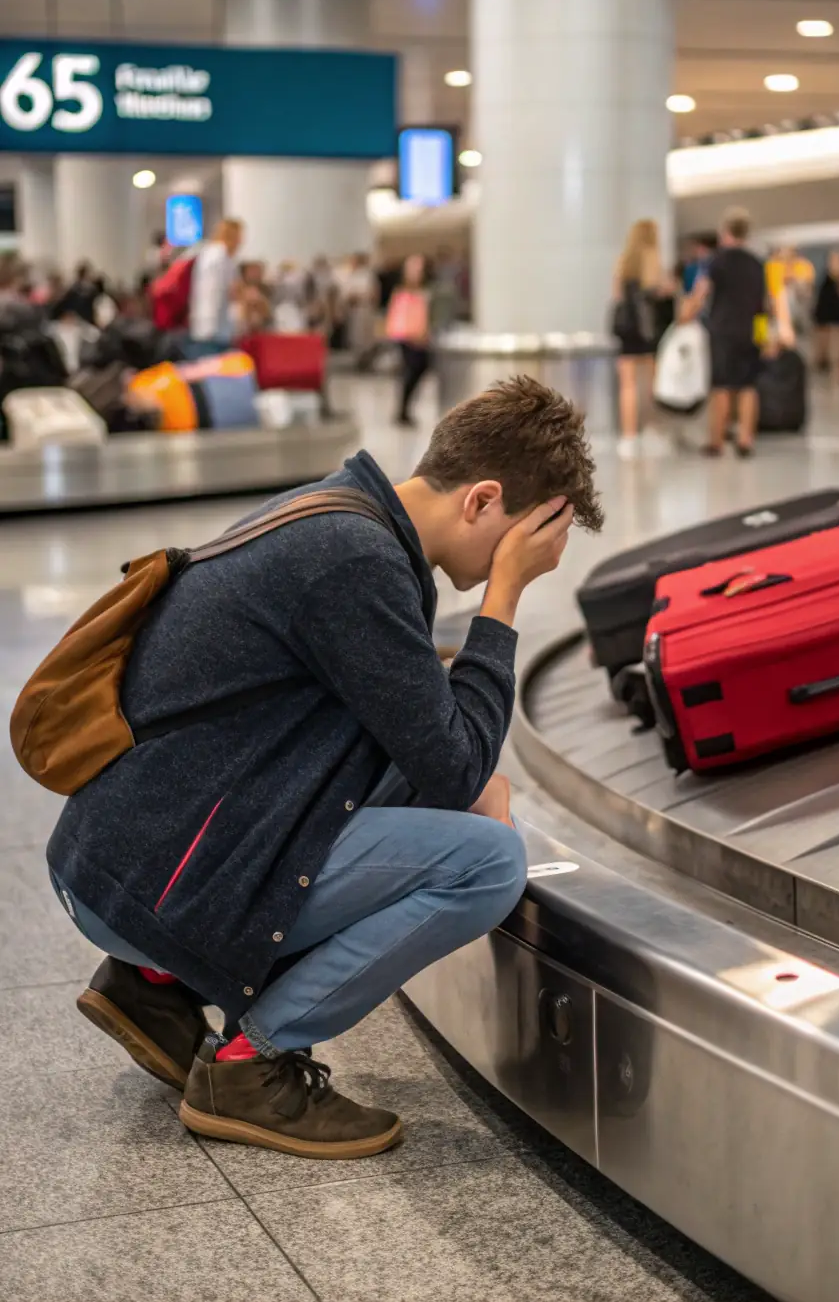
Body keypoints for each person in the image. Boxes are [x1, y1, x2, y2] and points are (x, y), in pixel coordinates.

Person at [45, 377, 603, 1160]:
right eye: (527, 543)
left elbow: (426, 744)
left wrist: (468, 775)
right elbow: (455, 765)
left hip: (131, 857)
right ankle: (251, 1063)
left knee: (458, 794)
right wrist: (503, 598)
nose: (531, 562)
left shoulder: (344, 514)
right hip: (150, 884)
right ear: (481, 500)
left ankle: (157, 987)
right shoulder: (357, 563)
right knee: (486, 863)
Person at [680, 206, 793, 458]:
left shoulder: (716, 261)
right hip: (750, 331)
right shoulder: (757, 263)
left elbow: (701, 293)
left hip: (722, 330)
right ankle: (745, 439)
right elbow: (766, 304)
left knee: (721, 386)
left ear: (725, 232)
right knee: (748, 386)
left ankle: (717, 441)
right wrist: (765, 337)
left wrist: (686, 314)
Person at [611, 218, 676, 457]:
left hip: (628, 331)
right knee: (650, 386)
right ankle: (650, 432)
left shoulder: (623, 262)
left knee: (627, 386)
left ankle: (628, 438)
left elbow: (617, 296)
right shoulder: (654, 260)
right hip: (649, 331)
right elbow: (663, 290)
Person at [386, 253, 433, 425]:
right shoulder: (401, 293)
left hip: (420, 338)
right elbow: (397, 318)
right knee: (411, 371)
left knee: (419, 369)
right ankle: (402, 410)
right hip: (406, 338)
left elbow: (425, 317)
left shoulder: (424, 293)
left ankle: (405, 409)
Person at [187, 218, 244, 357]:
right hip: (217, 329)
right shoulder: (223, 257)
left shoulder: (207, 253)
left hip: (202, 325)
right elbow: (232, 291)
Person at [812, 250, 839, 390]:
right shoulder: (828, 283)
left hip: (838, 319)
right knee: (830, 348)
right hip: (828, 319)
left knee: (838, 349)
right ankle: (833, 373)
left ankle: (837, 374)